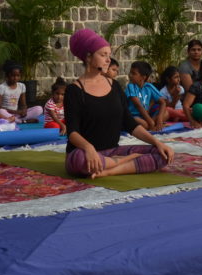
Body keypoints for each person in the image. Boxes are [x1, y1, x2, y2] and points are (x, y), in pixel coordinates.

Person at [63, 29, 174, 178]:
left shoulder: (114, 86)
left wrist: (157, 142)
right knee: (81, 160)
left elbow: (130, 123)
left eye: (109, 55)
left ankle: (109, 170)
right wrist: (88, 148)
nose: (108, 60)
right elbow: (72, 132)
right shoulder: (74, 91)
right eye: (103, 55)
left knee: (162, 154)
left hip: (112, 151)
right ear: (88, 57)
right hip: (83, 153)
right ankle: (125, 161)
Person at [125, 61, 167, 132]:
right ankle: (152, 125)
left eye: (134, 73)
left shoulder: (149, 86)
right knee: (141, 123)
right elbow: (139, 106)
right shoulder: (131, 86)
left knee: (166, 113)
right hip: (133, 116)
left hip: (146, 116)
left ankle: (152, 125)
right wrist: (151, 122)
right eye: (130, 72)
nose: (130, 75)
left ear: (143, 77)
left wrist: (160, 118)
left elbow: (163, 102)